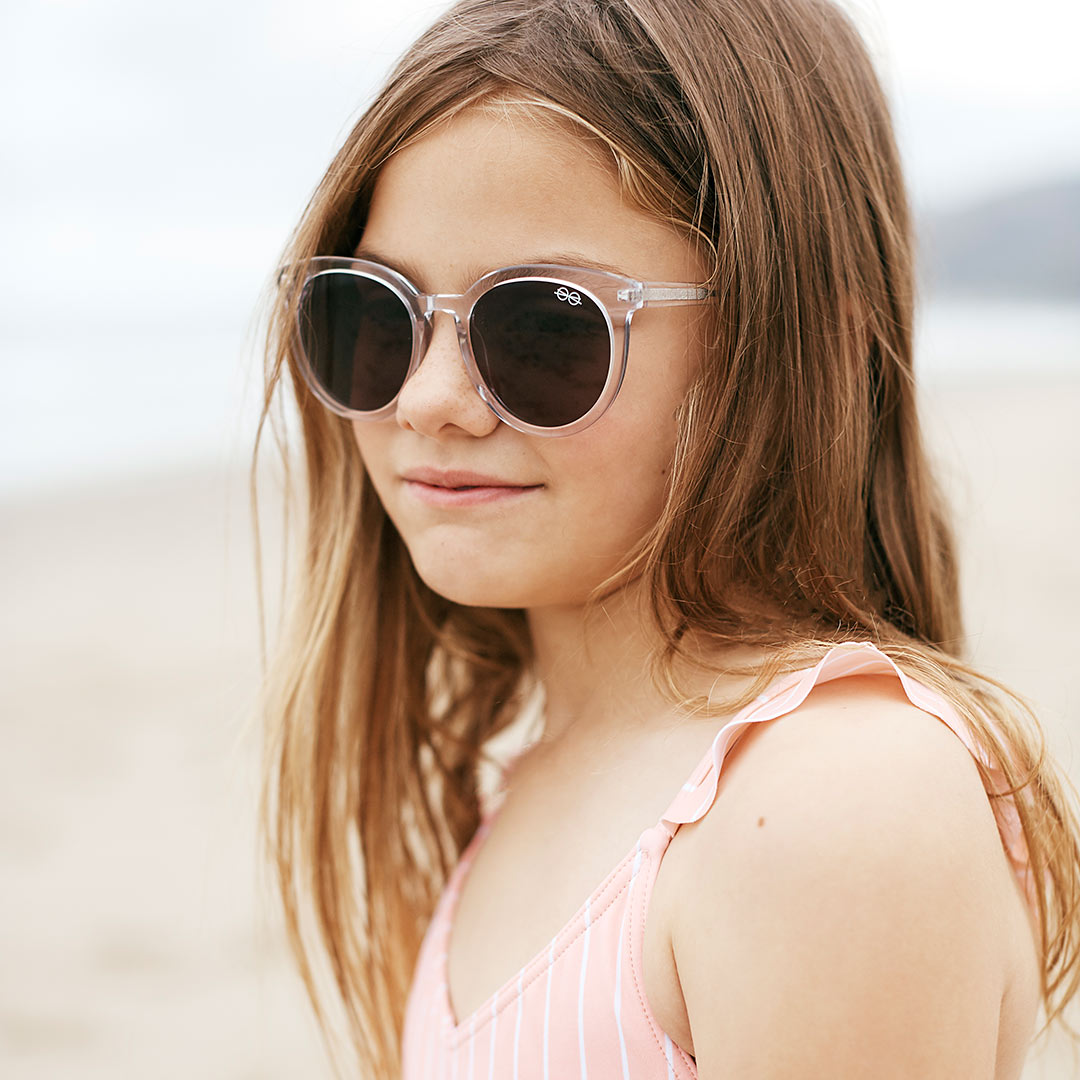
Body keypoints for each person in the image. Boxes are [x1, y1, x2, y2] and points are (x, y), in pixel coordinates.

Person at [254, 0, 1080, 1076]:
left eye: (544, 325)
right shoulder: (540, 778)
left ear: (782, 336)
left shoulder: (831, 801)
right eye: (372, 314)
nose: (429, 399)